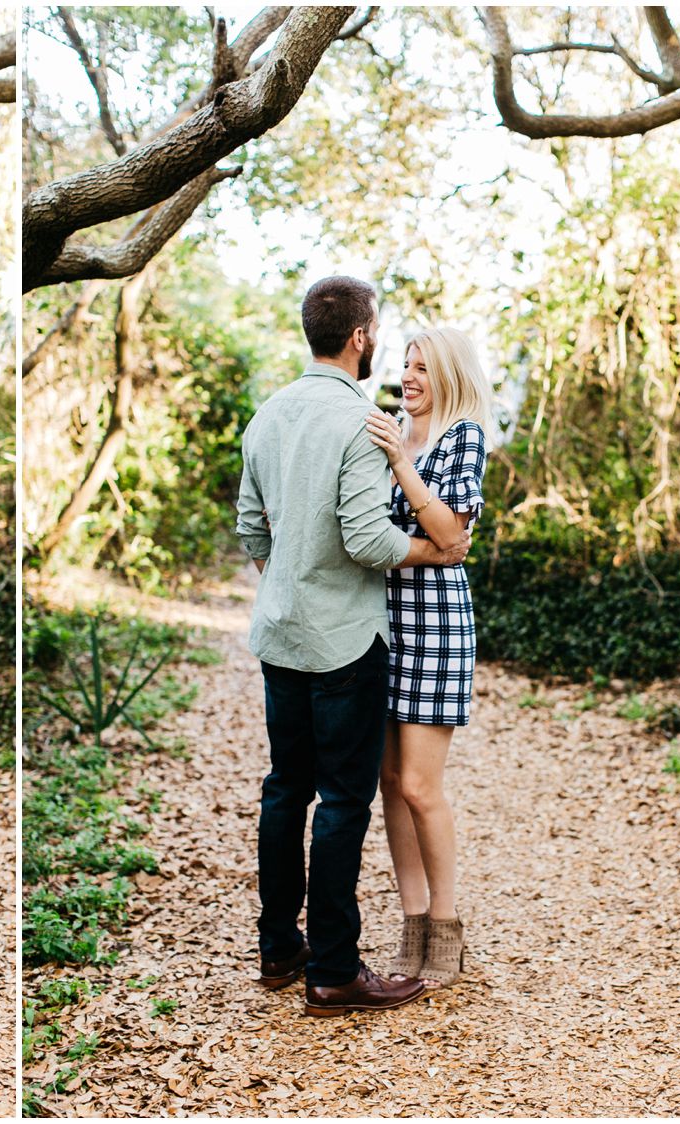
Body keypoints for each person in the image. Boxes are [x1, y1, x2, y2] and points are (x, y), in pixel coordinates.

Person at [234, 275, 470, 1017]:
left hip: (281, 636)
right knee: (342, 799)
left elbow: (250, 525)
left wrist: (287, 584)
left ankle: (279, 947)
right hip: (344, 643)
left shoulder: (266, 414)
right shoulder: (361, 420)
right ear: (361, 338)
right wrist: (433, 556)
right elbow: (369, 539)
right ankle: (334, 970)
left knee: (284, 788)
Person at [363, 328, 492, 990]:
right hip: (381, 624)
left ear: (448, 374)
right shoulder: (394, 435)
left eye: (422, 368)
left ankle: (446, 929)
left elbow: (450, 533)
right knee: (389, 782)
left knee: (420, 785)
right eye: (404, 366)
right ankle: (412, 925)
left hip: (436, 626)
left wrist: (400, 464)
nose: (408, 377)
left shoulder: (461, 436)